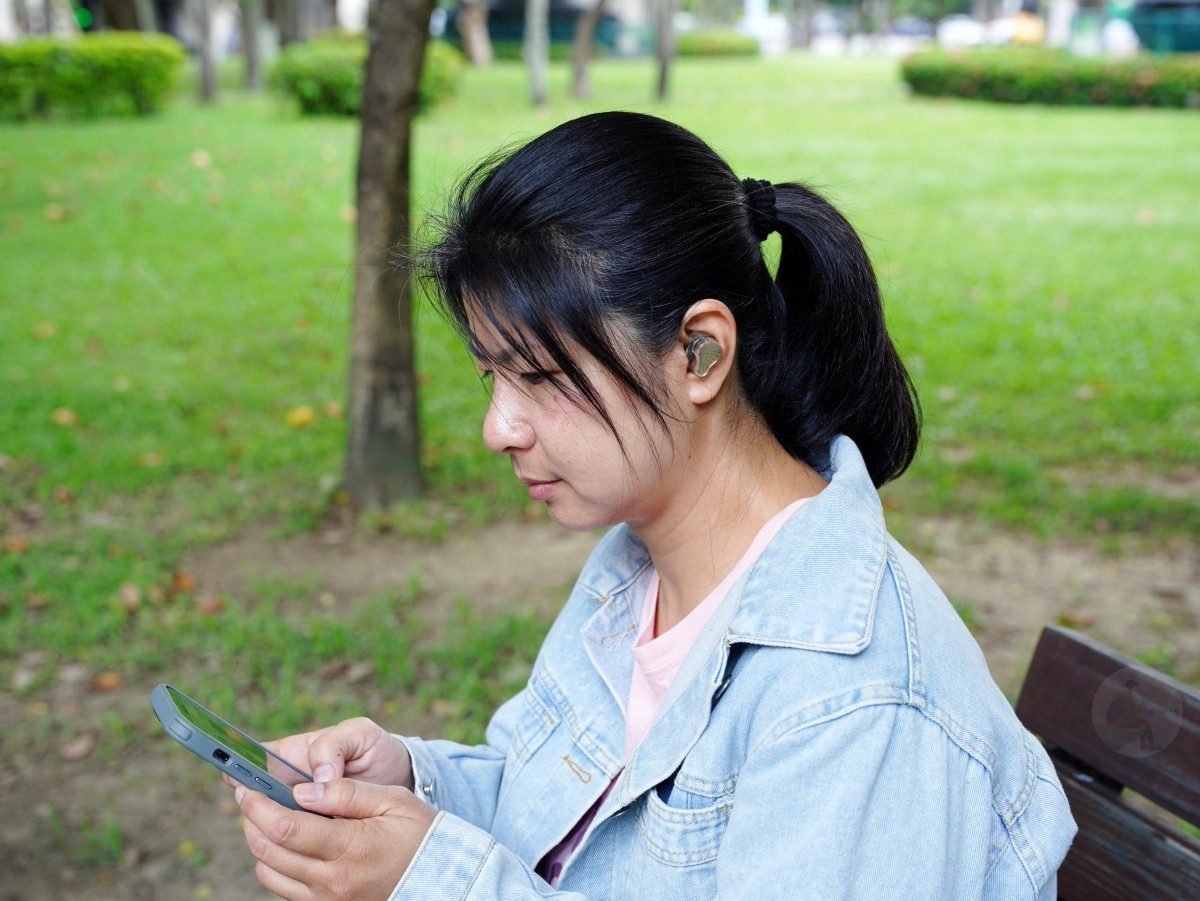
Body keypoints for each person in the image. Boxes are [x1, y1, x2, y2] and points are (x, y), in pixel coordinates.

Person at [226, 111, 1078, 899]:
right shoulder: (639, 567)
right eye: (492, 377)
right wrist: (411, 783)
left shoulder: (852, 698)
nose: (497, 429)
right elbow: (551, 816)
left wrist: (436, 881)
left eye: (541, 377)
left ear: (699, 352)